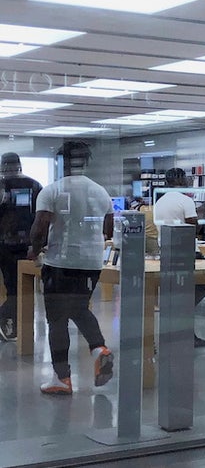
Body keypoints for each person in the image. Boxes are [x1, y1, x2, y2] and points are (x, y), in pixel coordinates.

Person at [29, 141, 115, 395]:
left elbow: (40, 226)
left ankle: (62, 377)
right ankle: (99, 348)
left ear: (61, 162)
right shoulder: (100, 192)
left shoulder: (53, 190)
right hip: (91, 264)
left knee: (57, 320)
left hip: (61, 263)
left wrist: (35, 248)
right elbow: (108, 230)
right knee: (77, 308)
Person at [154, 167, 205, 347]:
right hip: (186, 251)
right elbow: (194, 229)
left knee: (178, 291)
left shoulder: (160, 202)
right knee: (204, 284)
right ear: (180, 180)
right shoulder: (185, 201)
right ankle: (182, 322)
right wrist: (201, 213)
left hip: (167, 250)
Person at [0, 152, 42, 342]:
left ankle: (12, 326)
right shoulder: (34, 185)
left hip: (5, 244)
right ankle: (10, 324)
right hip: (25, 245)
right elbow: (41, 218)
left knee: (14, 288)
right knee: (20, 288)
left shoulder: (3, 185)